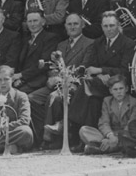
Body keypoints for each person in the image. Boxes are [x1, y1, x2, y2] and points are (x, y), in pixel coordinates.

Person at [69, 11, 136, 150]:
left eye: (112, 25)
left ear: (118, 25)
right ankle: (84, 140)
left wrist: (101, 71)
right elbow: (90, 66)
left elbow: (125, 70)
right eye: (105, 26)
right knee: (92, 100)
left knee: (86, 84)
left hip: (119, 82)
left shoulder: (127, 43)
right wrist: (99, 75)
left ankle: (70, 124)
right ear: (101, 27)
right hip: (99, 82)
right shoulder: (98, 42)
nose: (109, 29)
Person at [29, 13, 94, 146]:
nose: (72, 27)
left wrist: (64, 78)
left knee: (55, 98)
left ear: (82, 25)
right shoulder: (61, 45)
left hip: (75, 84)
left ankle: (50, 136)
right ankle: (44, 131)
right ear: (65, 26)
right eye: (69, 24)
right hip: (57, 83)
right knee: (31, 98)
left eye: (75, 24)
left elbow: (83, 68)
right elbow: (54, 65)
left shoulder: (90, 44)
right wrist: (52, 77)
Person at [79, 75, 136, 155]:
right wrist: (110, 136)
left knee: (129, 139)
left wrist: (116, 137)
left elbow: (131, 124)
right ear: (110, 91)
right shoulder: (107, 101)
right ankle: (109, 146)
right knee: (84, 130)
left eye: (121, 88)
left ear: (126, 89)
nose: (118, 92)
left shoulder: (135, 102)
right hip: (110, 135)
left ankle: (102, 148)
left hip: (125, 135)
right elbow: (104, 122)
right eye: (115, 89)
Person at [14, 11, 60, 94]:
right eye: (29, 21)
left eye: (35, 21)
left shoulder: (50, 38)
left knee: (15, 96)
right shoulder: (25, 38)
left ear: (43, 22)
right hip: (22, 79)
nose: (32, 24)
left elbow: (43, 64)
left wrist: (22, 76)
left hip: (37, 80)